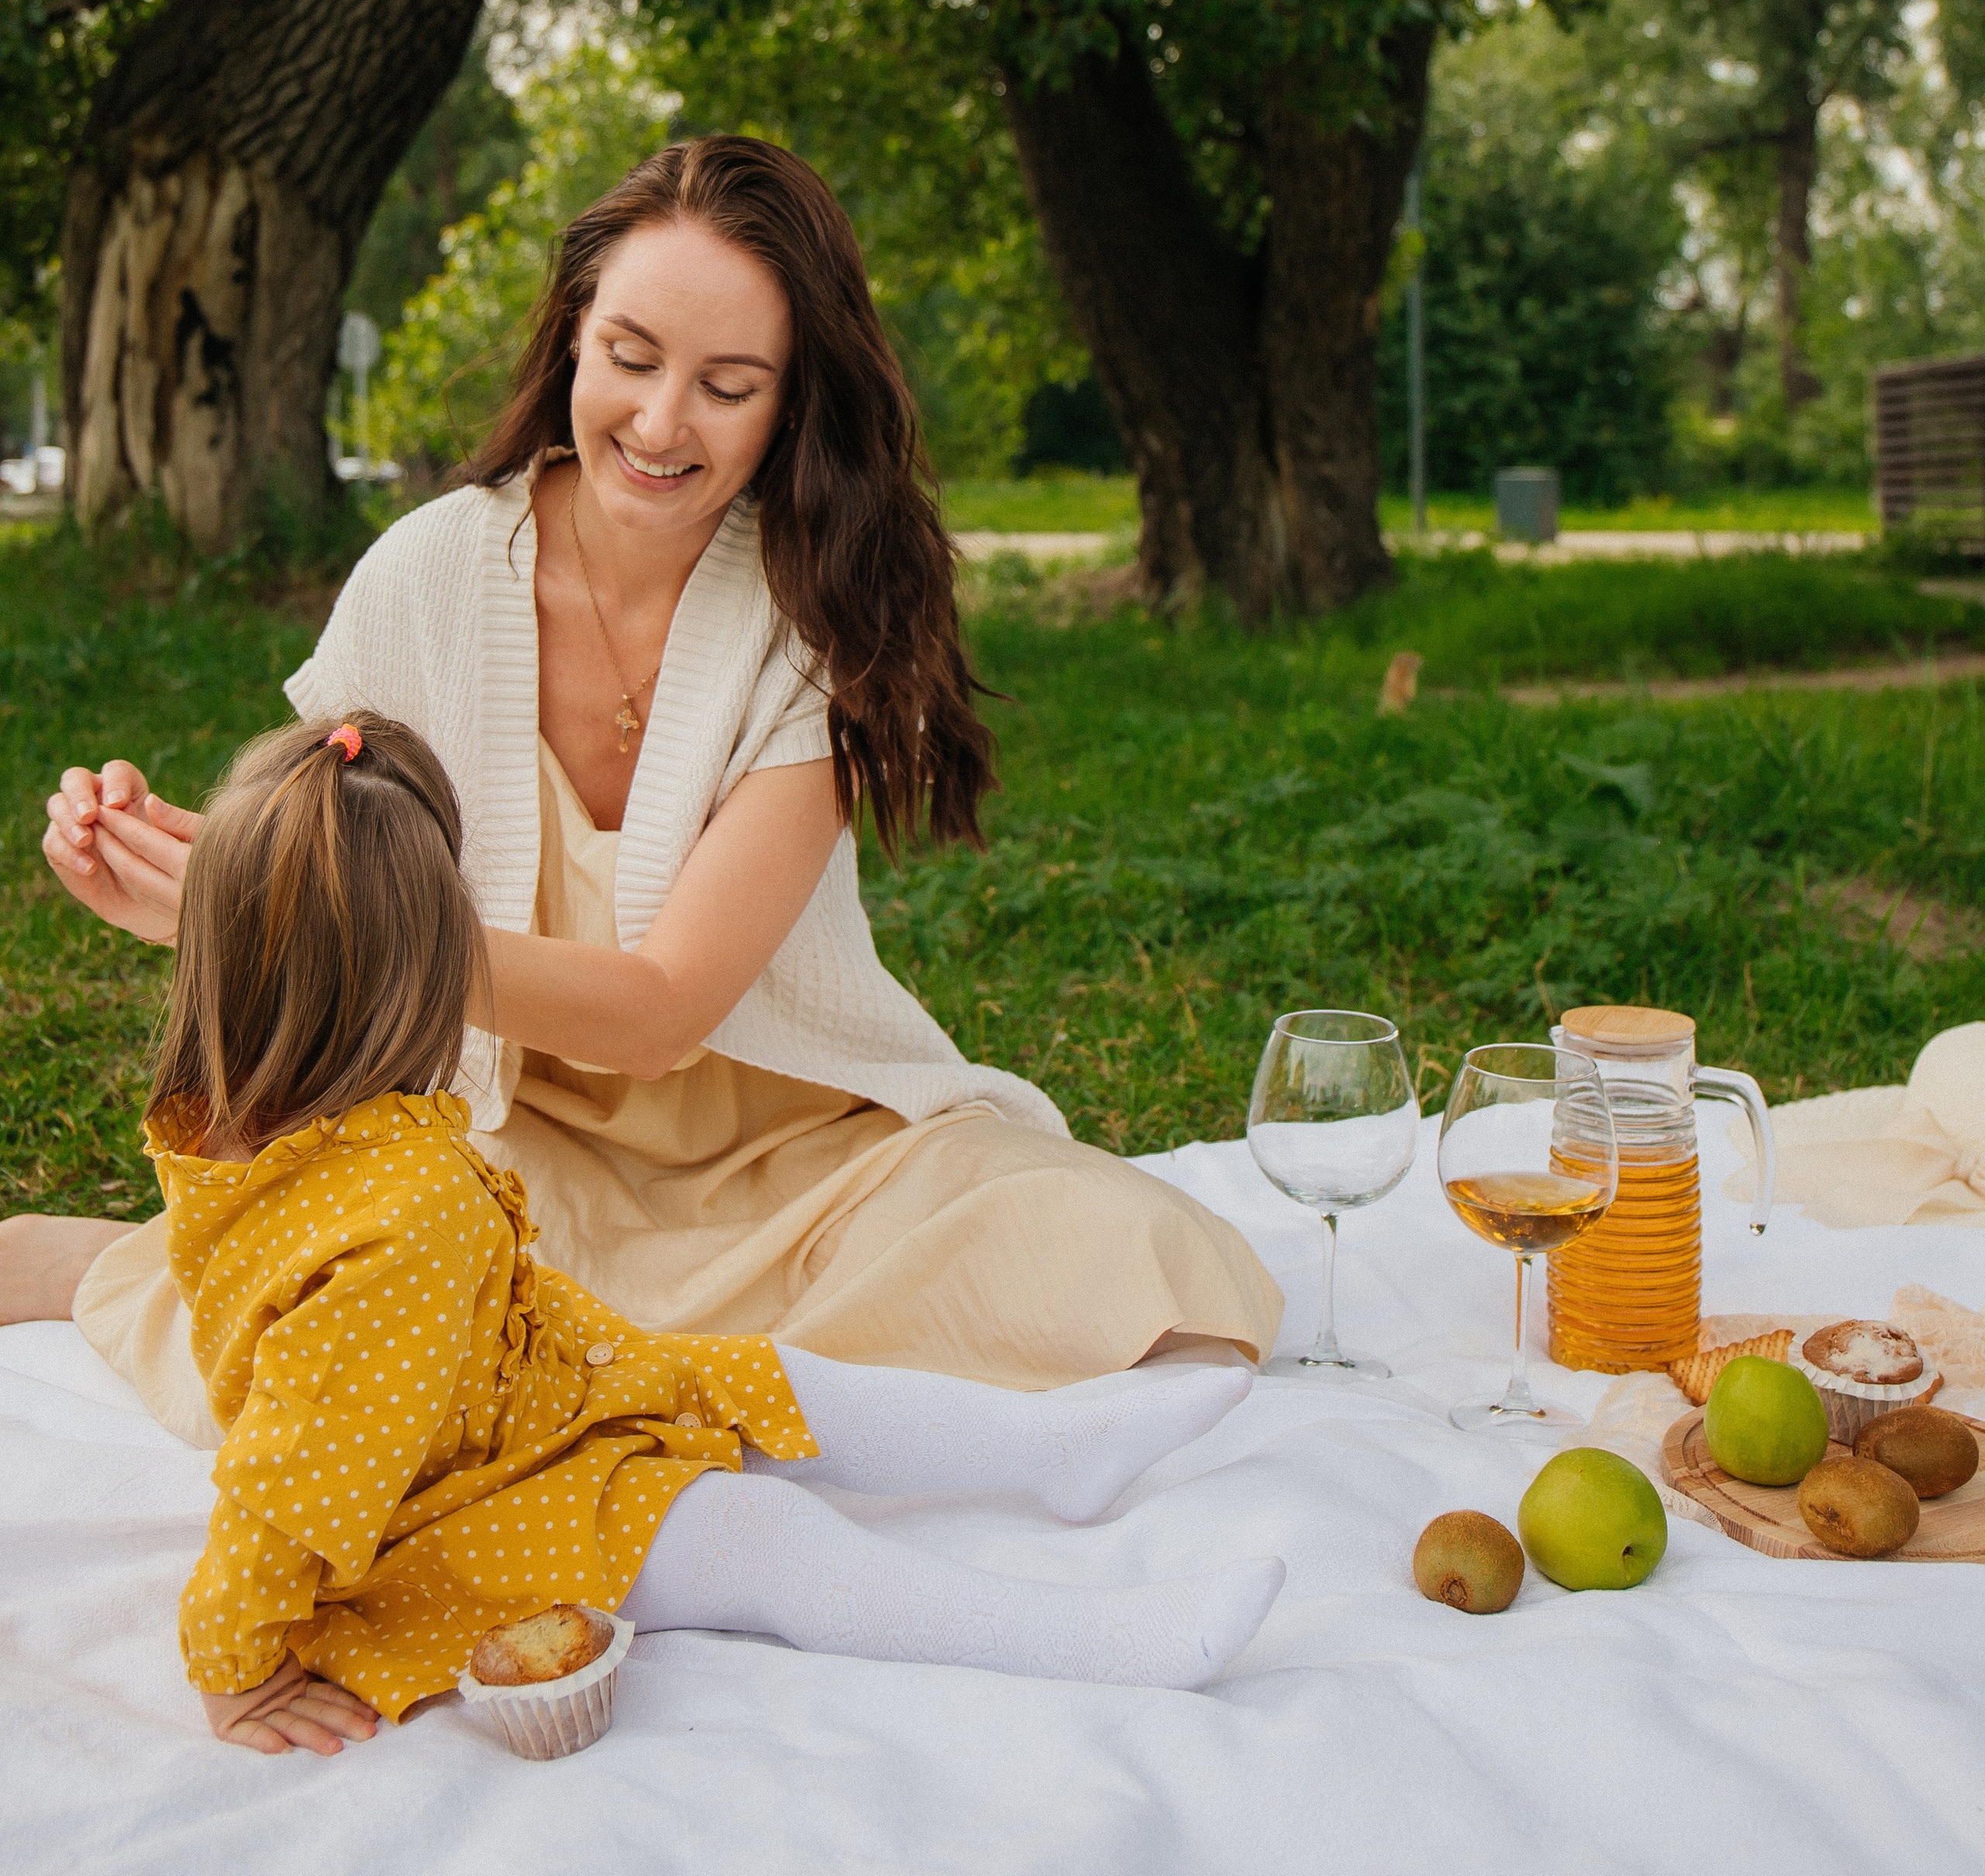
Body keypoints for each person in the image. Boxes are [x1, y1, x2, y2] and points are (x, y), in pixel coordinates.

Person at [22, 135, 1281, 1432]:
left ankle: (612, 1376)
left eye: (727, 386)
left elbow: (660, 1012)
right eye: (629, 359)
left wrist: (346, 937)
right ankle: (114, 1268)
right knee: (398, 1312)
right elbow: (339, 874)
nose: (661, 424)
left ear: (793, 402)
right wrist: (216, 902)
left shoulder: (817, 620)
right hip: (501, 1151)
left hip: (801, 1168)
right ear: (574, 335)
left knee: (1150, 1272)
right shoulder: (429, 576)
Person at [145, 714, 1283, 1750]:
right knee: (753, 1541)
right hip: (447, 1516)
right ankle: (1100, 1641)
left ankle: (1056, 1455)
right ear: (434, 971)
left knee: (780, 1381)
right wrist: (233, 1665)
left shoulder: (250, 1135)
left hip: (523, 1405)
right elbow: (290, 1480)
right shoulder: (400, 1219)